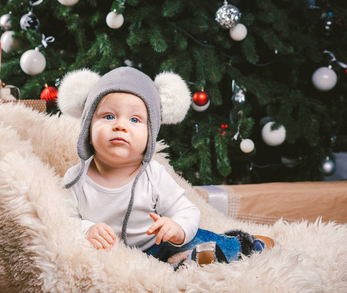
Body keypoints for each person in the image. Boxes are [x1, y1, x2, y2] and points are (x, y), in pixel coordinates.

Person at [59, 67, 274, 268]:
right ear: (88, 126)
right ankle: (184, 261)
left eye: (135, 119)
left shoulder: (153, 175)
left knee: (195, 237)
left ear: (150, 134)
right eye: (108, 116)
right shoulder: (76, 177)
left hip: (157, 244)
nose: (120, 125)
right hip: (107, 254)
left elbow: (186, 210)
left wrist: (177, 229)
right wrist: (87, 229)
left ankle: (241, 246)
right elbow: (62, 219)